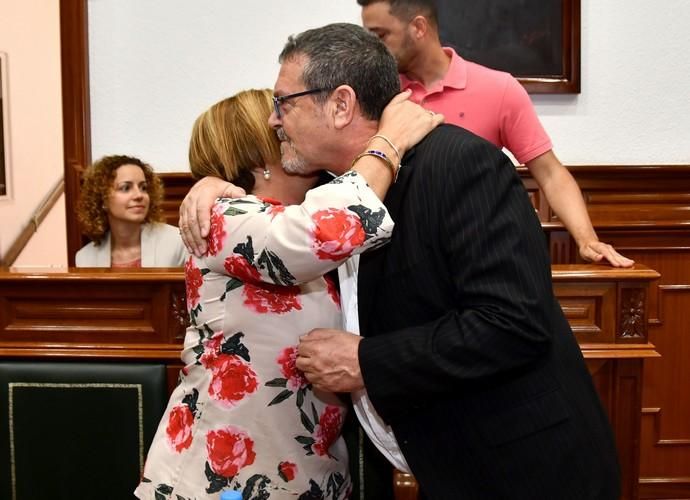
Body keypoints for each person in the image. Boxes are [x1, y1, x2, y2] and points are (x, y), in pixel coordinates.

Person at [180, 23, 621, 499]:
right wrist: (213, 185)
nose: (273, 120)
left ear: (341, 104)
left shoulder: (457, 164)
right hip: (448, 464)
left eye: (283, 103)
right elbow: (288, 229)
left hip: (526, 469)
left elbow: (513, 323)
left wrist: (366, 360)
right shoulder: (338, 195)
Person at [135, 89, 441, 500]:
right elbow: (324, 231)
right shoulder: (223, 219)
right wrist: (387, 143)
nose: (290, 124)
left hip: (312, 471)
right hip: (220, 479)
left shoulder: (314, 210)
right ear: (261, 154)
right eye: (280, 119)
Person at [357, 0, 634, 268]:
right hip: (402, 261)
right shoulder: (379, 96)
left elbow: (550, 173)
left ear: (418, 28)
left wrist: (586, 240)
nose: (373, 50)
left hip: (478, 257)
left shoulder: (498, 88)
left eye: (380, 36)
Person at [75, 154, 186, 267]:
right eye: (126, 188)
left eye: (143, 188)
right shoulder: (85, 259)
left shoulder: (176, 242)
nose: (139, 195)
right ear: (102, 198)